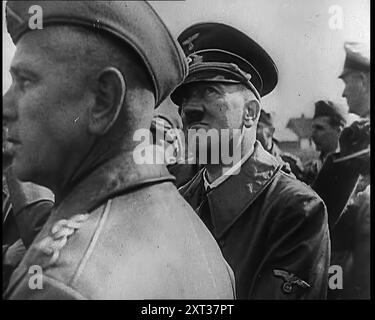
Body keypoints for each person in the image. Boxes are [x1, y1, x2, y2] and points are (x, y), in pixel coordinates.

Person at [3, 1, 235, 300]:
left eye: (26, 81)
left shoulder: (61, 282)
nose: (6, 106)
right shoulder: (200, 239)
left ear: (103, 100)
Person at [172, 22, 330, 299]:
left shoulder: (295, 209)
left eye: (210, 91)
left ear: (250, 112)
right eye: (185, 97)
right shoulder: (177, 201)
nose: (190, 109)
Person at [312, 42, 370, 299]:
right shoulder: (359, 137)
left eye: (347, 83)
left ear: (363, 80)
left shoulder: (362, 138)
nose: (344, 94)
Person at [304, 100, 347, 184]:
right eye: (313, 128)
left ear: (338, 131)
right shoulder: (309, 171)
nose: (312, 134)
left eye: (319, 128)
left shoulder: (354, 167)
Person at [256, 109, 305, 181]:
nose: (252, 132)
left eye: (257, 127)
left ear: (271, 131)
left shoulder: (290, 163)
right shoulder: (248, 162)